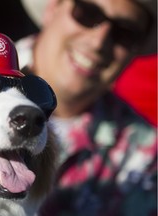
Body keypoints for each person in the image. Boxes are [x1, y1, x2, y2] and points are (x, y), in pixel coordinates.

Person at [16, 0, 157, 215]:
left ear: (136, 50)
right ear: (53, 8)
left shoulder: (145, 154)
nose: (99, 42)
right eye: (88, 14)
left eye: (124, 33)